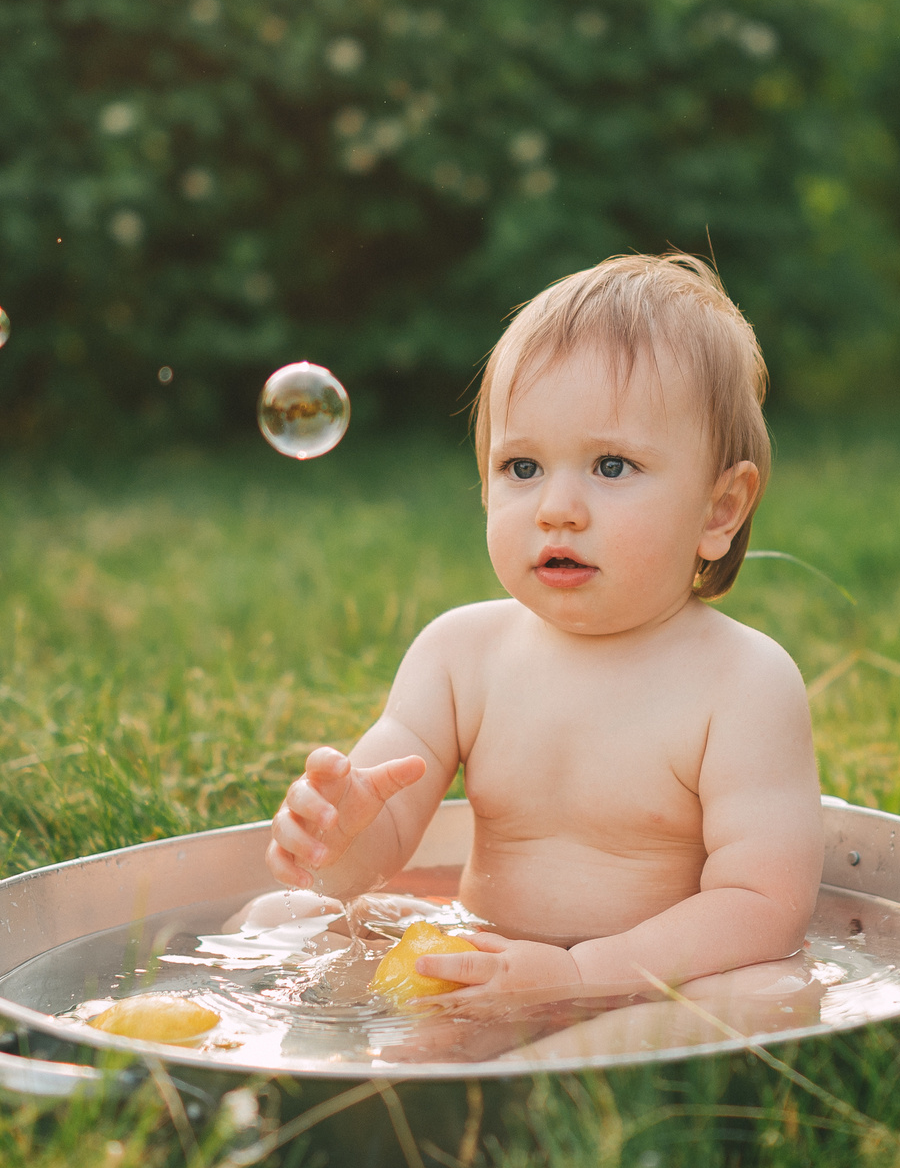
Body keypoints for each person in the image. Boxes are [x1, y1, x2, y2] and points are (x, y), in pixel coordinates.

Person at [264, 251, 824, 1007]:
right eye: (522, 467)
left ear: (720, 509)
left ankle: (565, 1071)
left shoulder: (742, 682)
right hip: (483, 955)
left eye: (613, 465)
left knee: (772, 994)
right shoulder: (460, 655)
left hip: (647, 983)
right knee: (281, 913)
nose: (557, 506)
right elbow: (377, 845)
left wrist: (582, 977)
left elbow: (764, 907)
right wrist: (336, 838)